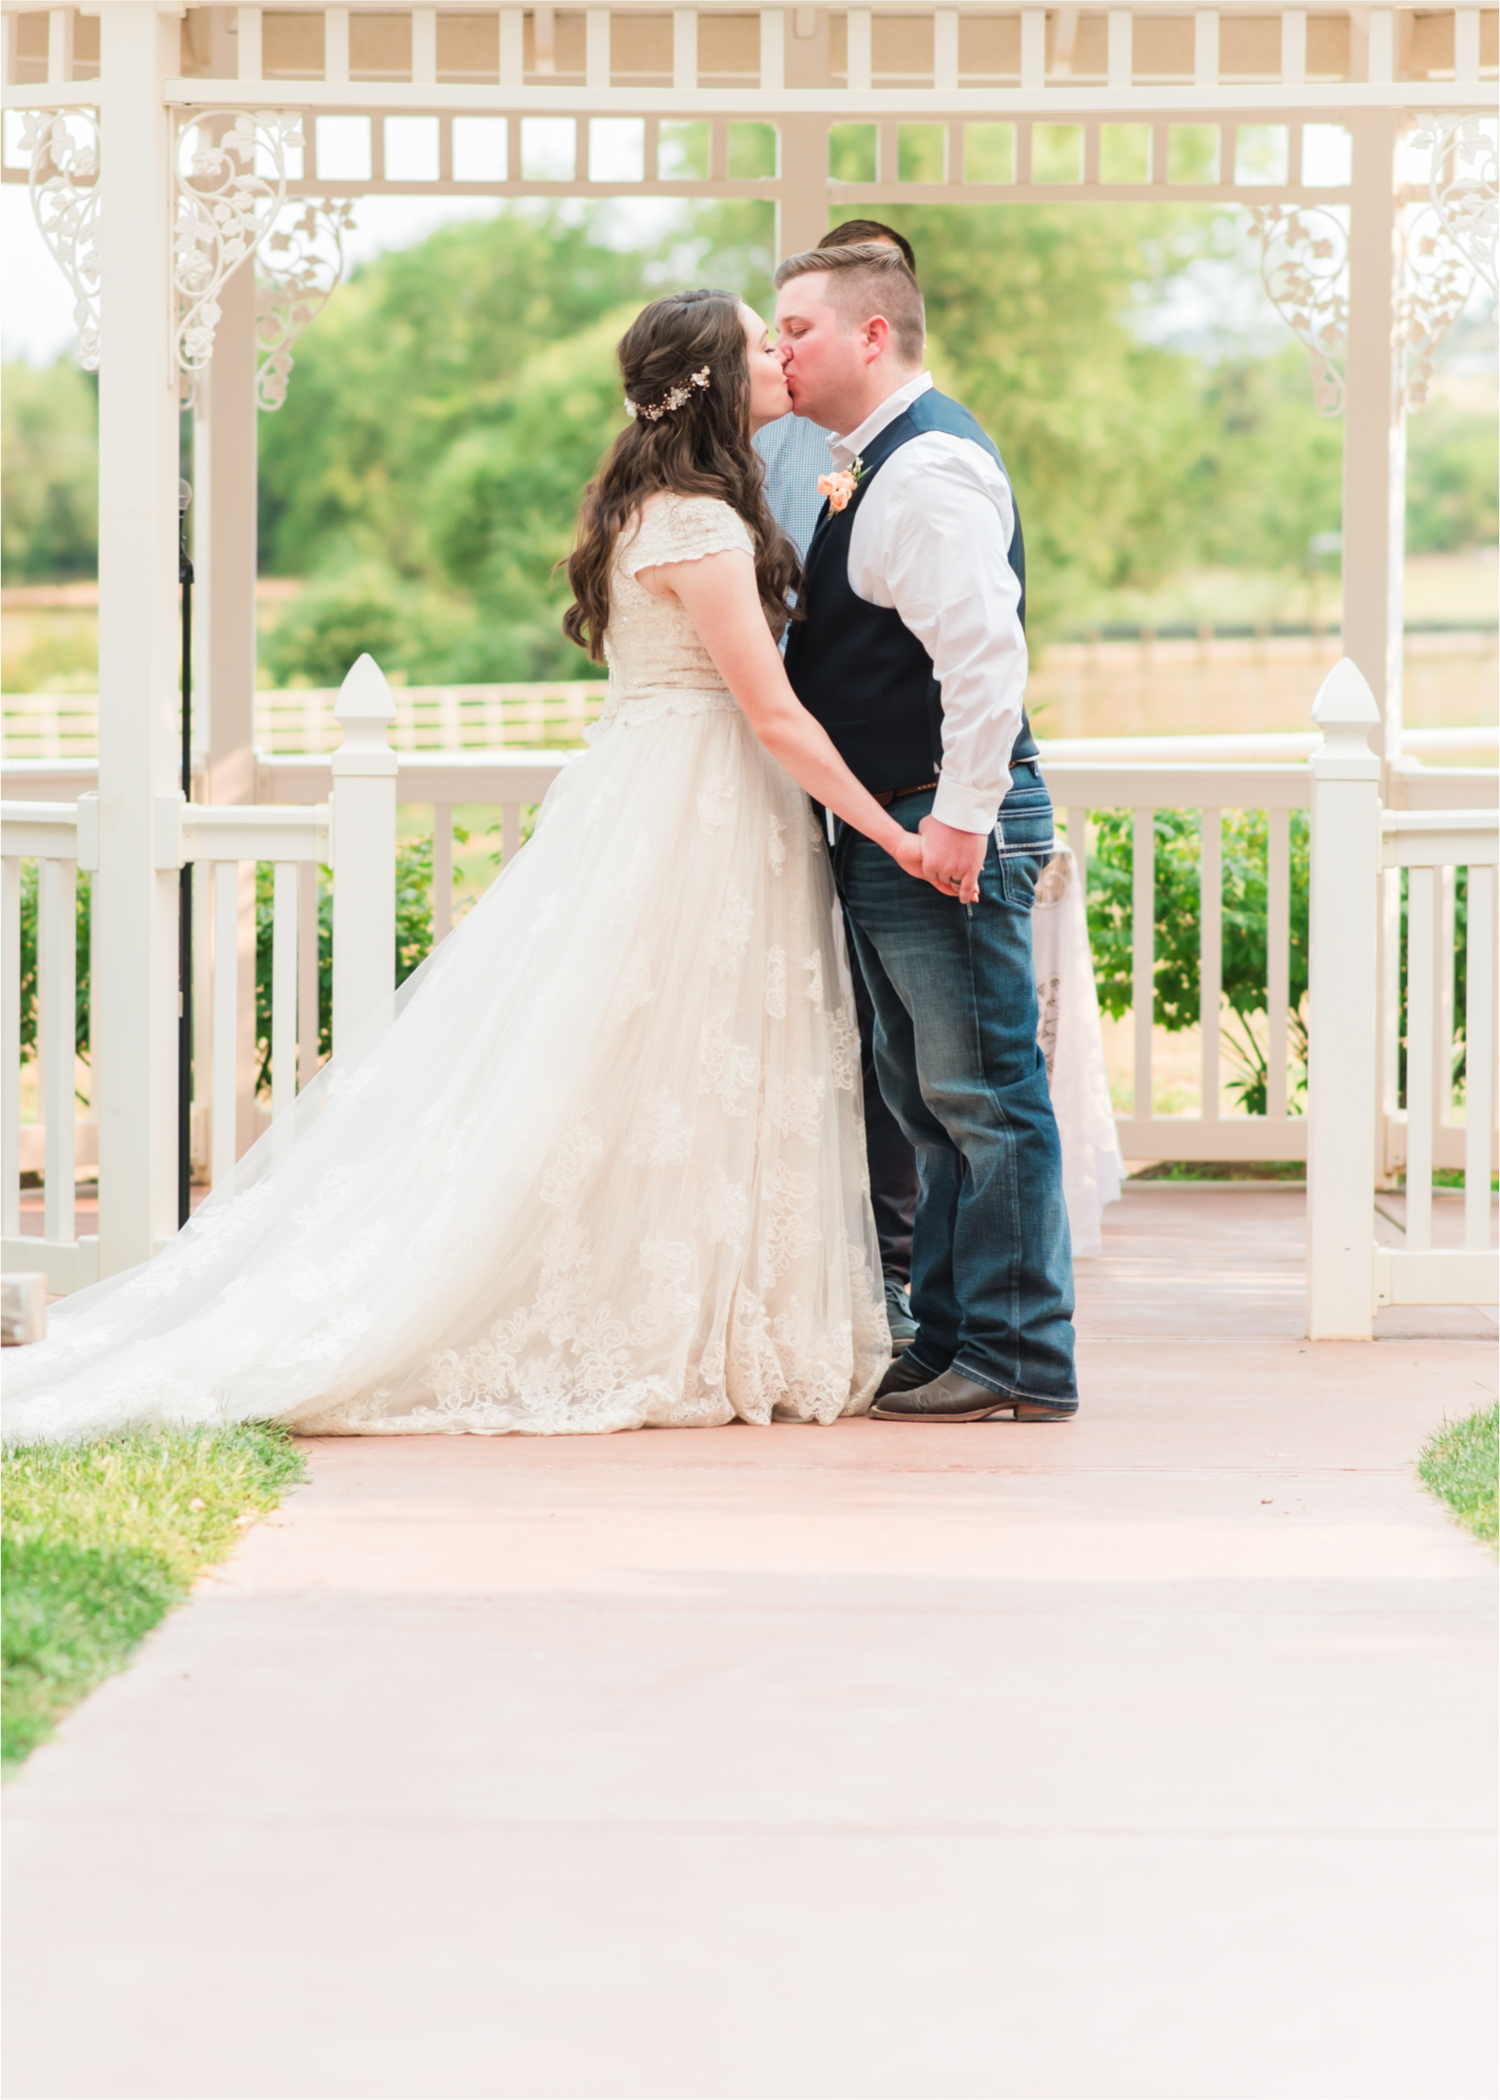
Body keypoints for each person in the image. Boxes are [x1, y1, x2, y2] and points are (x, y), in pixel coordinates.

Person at [6, 291, 946, 1446]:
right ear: (711, 375)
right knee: (669, 1059)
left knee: (674, 1069)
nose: (779, 357)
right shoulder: (699, 522)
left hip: (673, 796)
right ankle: (664, 1313)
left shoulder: (665, 505)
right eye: (761, 342)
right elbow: (777, 717)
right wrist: (895, 832)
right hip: (699, 808)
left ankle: (701, 1298)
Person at [776, 241, 1080, 1423]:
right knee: (924, 1096)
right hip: (896, 817)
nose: (780, 350)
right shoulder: (862, 464)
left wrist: (959, 818)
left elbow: (985, 656)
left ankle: (1015, 1356)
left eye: (798, 328)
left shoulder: (929, 464)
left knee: (983, 1091)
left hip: (934, 818)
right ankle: (953, 1333)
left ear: (870, 335)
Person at [756, 219, 922, 1356]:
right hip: (764, 785)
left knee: (870, 1034)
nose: (783, 354)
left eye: (794, 334)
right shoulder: (734, 490)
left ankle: (887, 1266)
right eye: (769, 341)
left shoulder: (909, 452)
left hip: (835, 786)